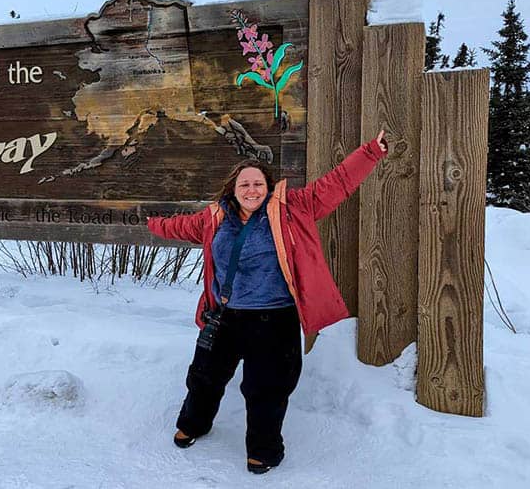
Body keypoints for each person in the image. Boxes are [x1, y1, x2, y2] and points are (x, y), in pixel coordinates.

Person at [146, 131, 389, 474]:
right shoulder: (215, 218)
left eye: (258, 184)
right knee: (204, 376)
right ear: (233, 188)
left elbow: (338, 182)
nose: (251, 190)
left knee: (266, 388)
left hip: (274, 319)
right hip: (224, 316)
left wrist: (371, 152)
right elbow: (179, 226)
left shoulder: (293, 208)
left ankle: (264, 449)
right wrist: (151, 223)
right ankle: (194, 423)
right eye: (244, 184)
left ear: (269, 186)